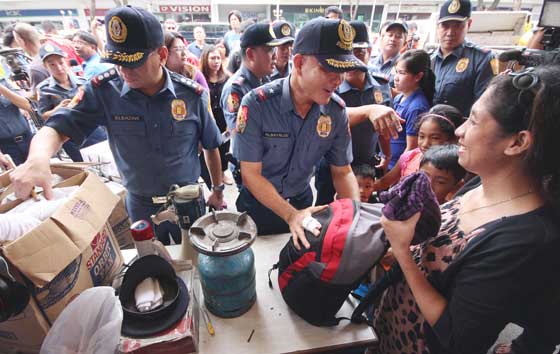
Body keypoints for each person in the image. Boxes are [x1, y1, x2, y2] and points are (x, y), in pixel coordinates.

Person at [375, 65, 560, 354]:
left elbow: (458, 340)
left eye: (473, 121)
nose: (459, 131)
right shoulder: (478, 184)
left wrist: (402, 253)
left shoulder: (523, 240)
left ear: (517, 142)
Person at [10, 6, 224, 247]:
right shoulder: (104, 91)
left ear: (162, 55)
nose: (124, 71)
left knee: (198, 259)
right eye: (117, 61)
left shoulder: (192, 95)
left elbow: (211, 145)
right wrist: (37, 158)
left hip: (188, 201)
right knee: (153, 266)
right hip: (141, 205)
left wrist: (217, 190)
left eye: (134, 63)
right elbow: (60, 126)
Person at [234, 18, 402, 244]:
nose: (338, 80)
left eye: (343, 70)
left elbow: (342, 172)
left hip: (303, 204)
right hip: (259, 206)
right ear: (300, 62)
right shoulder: (257, 104)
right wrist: (290, 215)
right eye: (329, 69)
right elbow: (250, 174)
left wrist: (354, 216)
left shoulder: (336, 112)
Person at [314, 20, 393, 205]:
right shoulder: (330, 87)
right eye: (346, 54)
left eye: (359, 52)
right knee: (327, 213)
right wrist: (368, 111)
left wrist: (386, 155)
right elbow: (328, 121)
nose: (352, 61)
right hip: (332, 165)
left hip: (366, 163)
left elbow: (384, 126)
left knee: (360, 212)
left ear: (369, 52)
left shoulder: (381, 86)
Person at [220, 22, 281, 186]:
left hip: (270, 165)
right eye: (269, 50)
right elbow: (241, 134)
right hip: (251, 168)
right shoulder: (236, 89)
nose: (275, 55)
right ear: (251, 54)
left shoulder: (266, 80)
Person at [373, 105, 463, 192]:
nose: (425, 144)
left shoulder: (456, 165)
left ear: (453, 139)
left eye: (435, 138)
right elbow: (384, 182)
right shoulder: (409, 158)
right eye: (421, 136)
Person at [431, 0, 497, 117]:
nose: (450, 33)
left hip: (460, 132)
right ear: (438, 26)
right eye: (445, 26)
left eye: (457, 26)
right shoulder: (428, 59)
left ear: (469, 24)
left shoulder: (482, 59)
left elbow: (484, 107)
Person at [36, 43, 90, 162]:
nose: (59, 68)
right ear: (45, 66)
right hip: (69, 136)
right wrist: (58, 109)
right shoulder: (44, 89)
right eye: (52, 65)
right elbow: (43, 115)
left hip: (91, 130)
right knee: (84, 167)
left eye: (61, 63)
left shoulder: (83, 82)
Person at [388, 49, 433, 169]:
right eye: (396, 72)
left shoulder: (417, 107)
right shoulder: (399, 97)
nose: (396, 78)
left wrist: (397, 174)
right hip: (389, 162)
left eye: (402, 73)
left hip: (398, 167)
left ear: (418, 76)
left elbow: (411, 148)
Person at [199, 45, 233, 186]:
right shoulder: (201, 78)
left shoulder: (227, 78)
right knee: (209, 147)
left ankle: (222, 173)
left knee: (224, 147)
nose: (216, 61)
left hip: (223, 118)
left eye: (218, 58)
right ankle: (212, 176)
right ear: (205, 59)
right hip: (208, 118)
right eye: (212, 58)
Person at [0, 78, 33, 167]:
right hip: (6, 147)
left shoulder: (4, 82)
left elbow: (27, 105)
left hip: (27, 138)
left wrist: (2, 89)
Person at [369, 20, 407, 85]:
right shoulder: (369, 61)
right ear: (382, 38)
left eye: (398, 36)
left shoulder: (405, 67)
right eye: (390, 35)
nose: (393, 39)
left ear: (404, 43)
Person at [12, 23, 48, 92]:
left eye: (17, 41)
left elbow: (37, 98)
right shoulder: (53, 54)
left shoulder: (35, 68)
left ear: (21, 41)